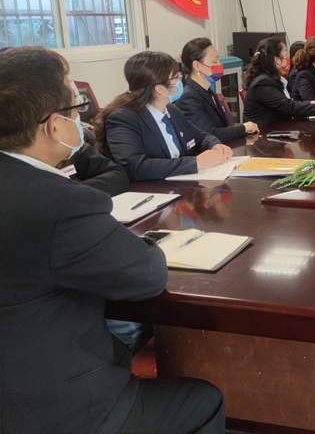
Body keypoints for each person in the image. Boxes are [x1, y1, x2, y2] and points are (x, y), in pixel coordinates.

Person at [0, 47, 225, 434]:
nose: (83, 121)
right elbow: (147, 276)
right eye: (76, 110)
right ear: (54, 127)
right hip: (57, 409)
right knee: (204, 400)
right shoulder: (59, 201)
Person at [94, 51, 232, 181]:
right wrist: (195, 163)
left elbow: (202, 137)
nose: (180, 80)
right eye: (176, 77)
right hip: (151, 191)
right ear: (159, 89)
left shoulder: (172, 111)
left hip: (181, 186)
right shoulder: (123, 119)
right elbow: (135, 166)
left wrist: (215, 145)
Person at [243, 37, 315, 130]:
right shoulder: (263, 83)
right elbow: (288, 106)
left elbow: (289, 103)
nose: (288, 61)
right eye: (286, 55)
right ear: (277, 60)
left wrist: (312, 103)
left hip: (277, 131)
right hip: (262, 137)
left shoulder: (270, 79)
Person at [175, 38, 259, 143]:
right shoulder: (188, 97)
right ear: (197, 65)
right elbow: (209, 135)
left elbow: (224, 127)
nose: (219, 65)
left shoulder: (209, 92)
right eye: (215, 61)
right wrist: (243, 128)